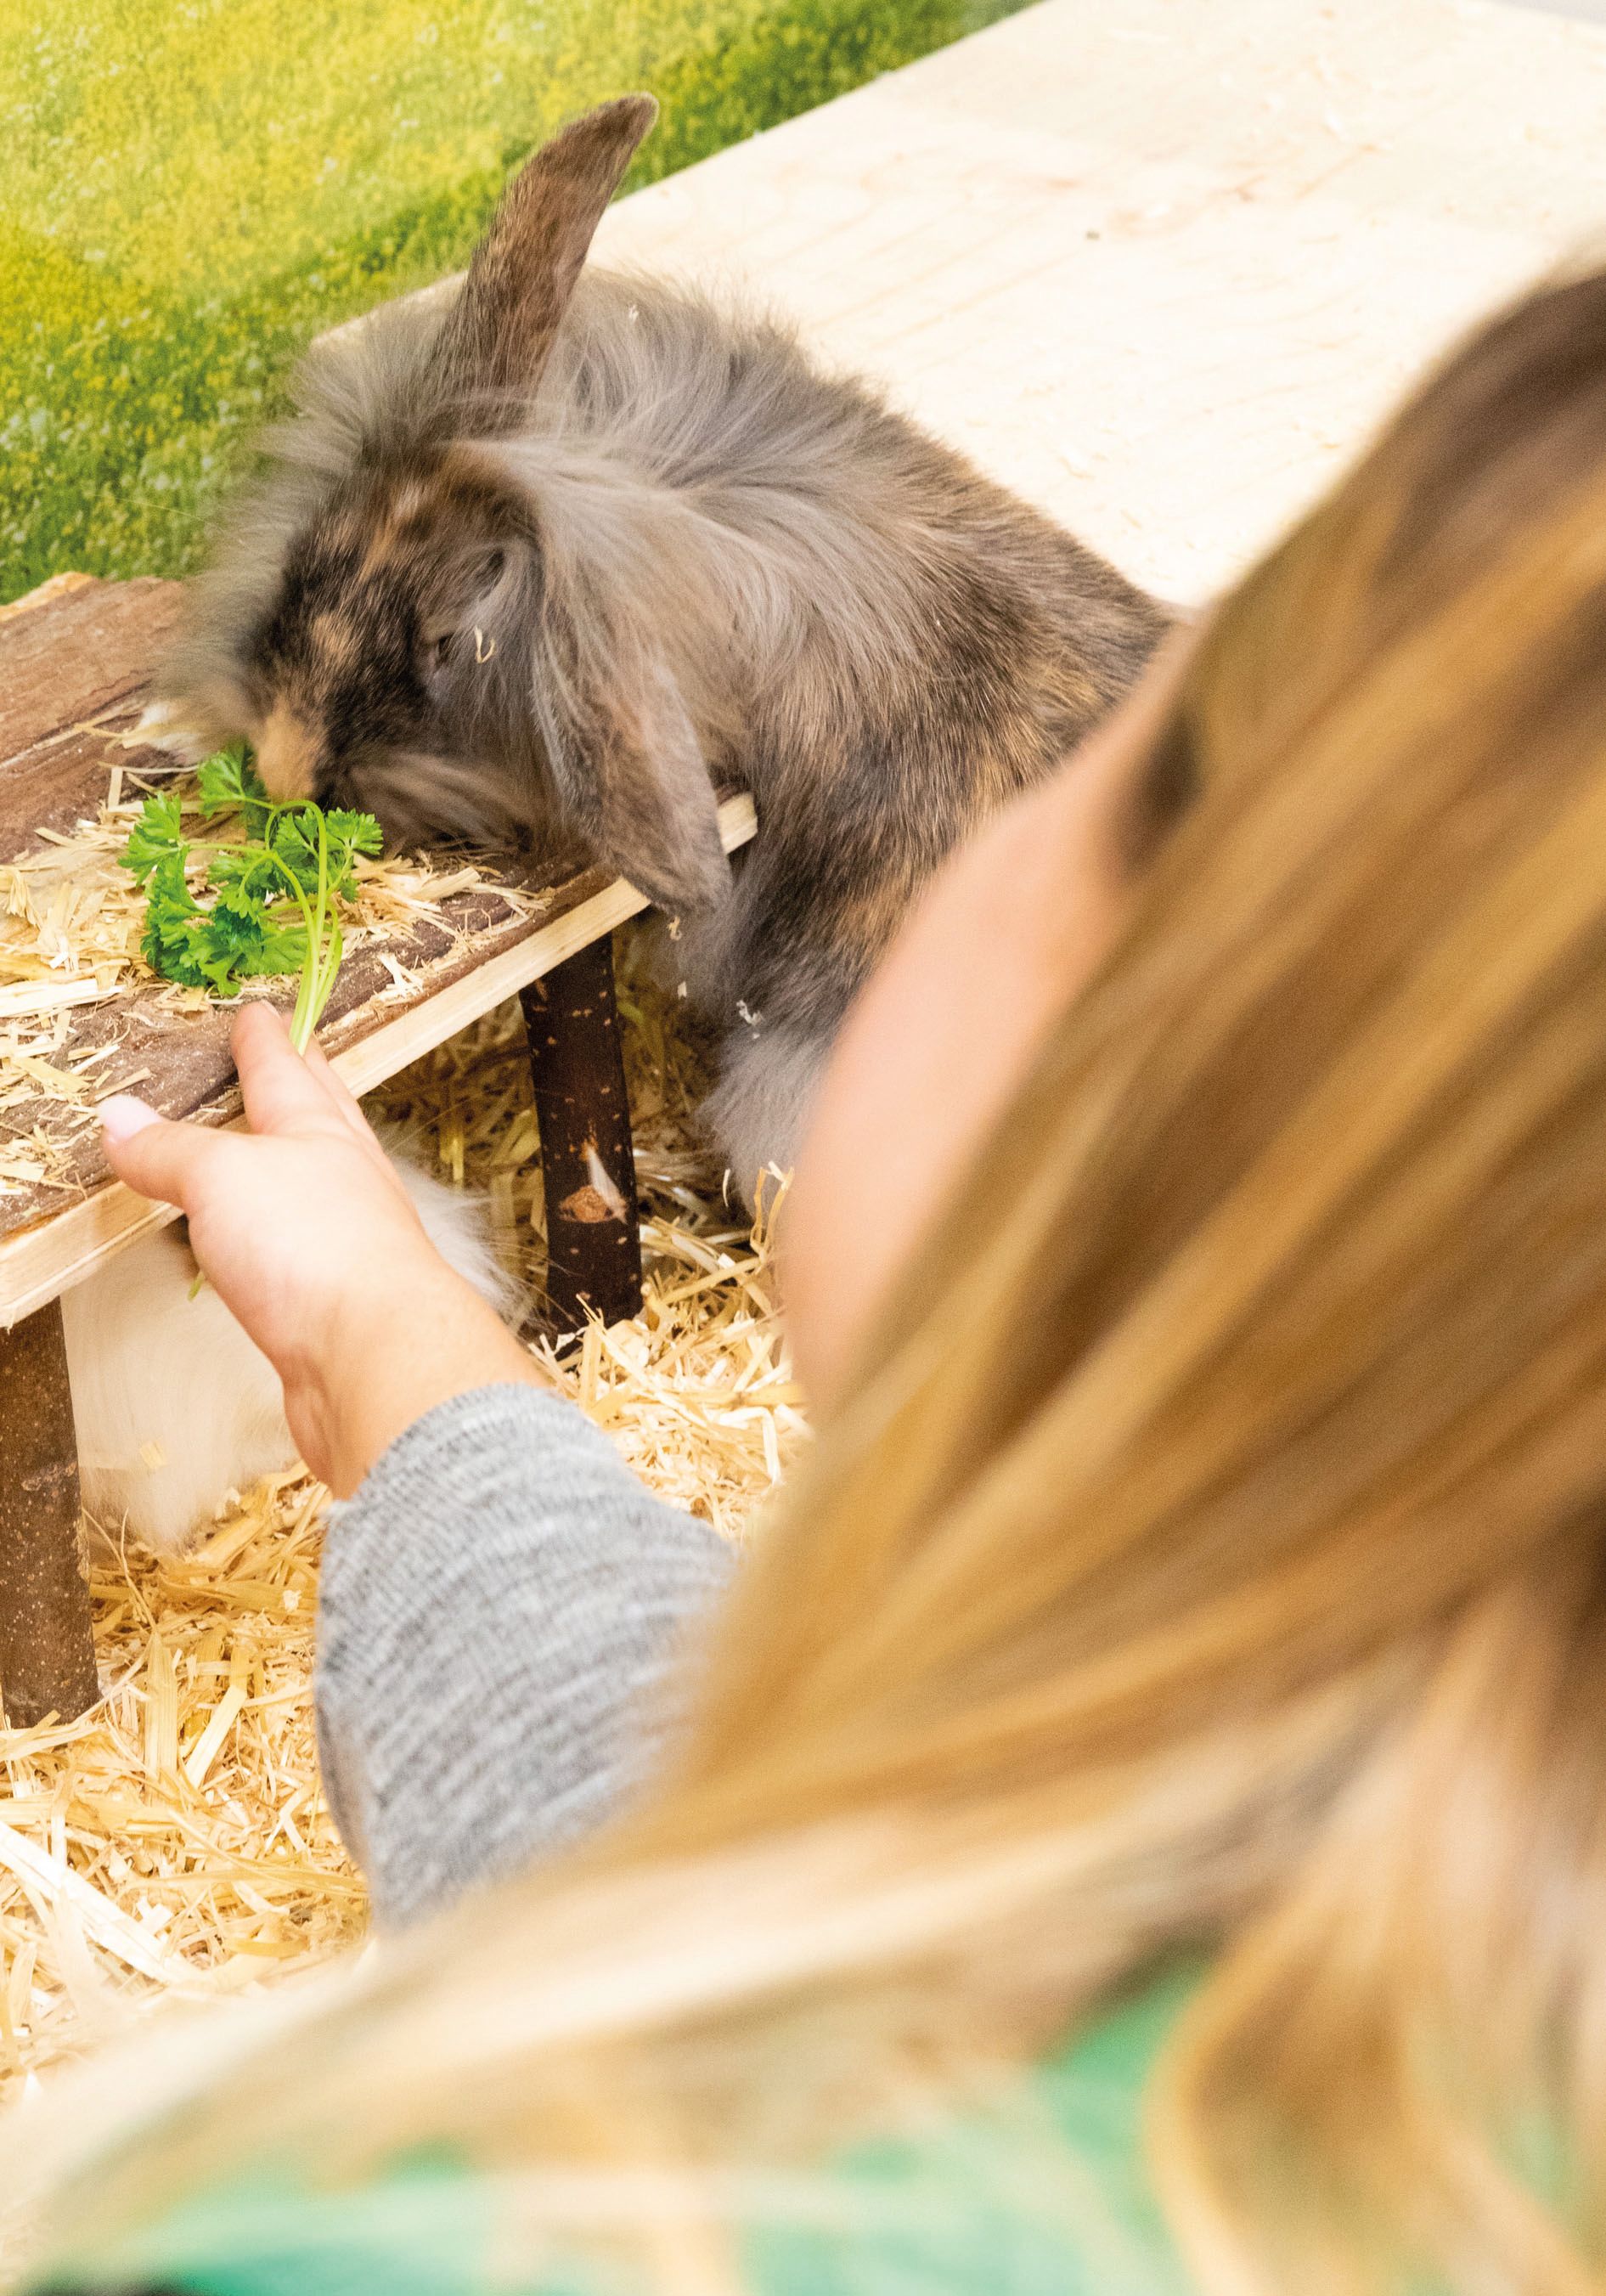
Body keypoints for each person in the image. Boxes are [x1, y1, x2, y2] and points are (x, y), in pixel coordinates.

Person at [16, 260, 1606, 2296]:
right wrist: (403, 1361)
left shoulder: (411, 2239)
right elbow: (709, 1843)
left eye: (1136, 737)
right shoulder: (1400, 1964)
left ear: (1163, 1031)